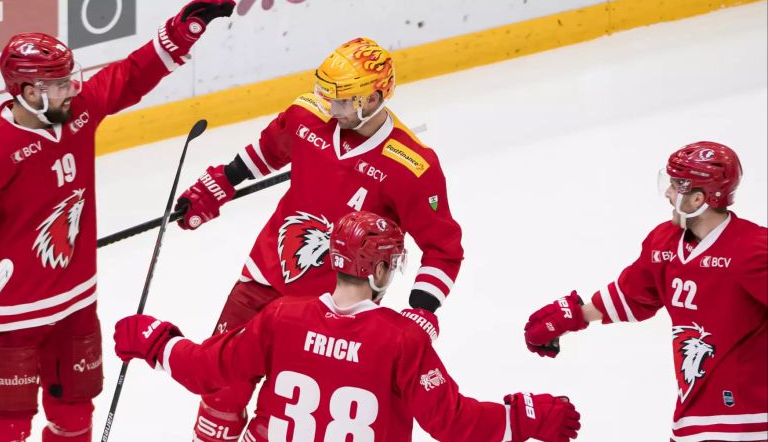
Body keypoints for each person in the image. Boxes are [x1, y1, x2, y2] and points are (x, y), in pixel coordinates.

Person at [0, 0, 235, 441]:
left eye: (68, 80)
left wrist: (181, 32)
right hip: (6, 318)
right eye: (58, 85)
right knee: (7, 428)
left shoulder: (76, 116)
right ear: (28, 93)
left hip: (75, 304)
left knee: (74, 415)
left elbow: (128, 76)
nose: (71, 89)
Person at [174, 36, 464, 440]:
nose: (333, 108)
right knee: (221, 388)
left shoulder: (411, 166)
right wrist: (218, 185)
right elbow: (266, 152)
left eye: (344, 100)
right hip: (264, 274)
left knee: (283, 412)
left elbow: (442, 250)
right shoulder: (306, 116)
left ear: (377, 96)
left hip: (327, 311)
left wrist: (423, 310)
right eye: (328, 96)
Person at [115, 210, 581, 441]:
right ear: (379, 271)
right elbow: (451, 421)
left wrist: (155, 340)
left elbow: (206, 370)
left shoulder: (282, 317)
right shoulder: (402, 339)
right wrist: (523, 416)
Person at [522, 141, 767, 442]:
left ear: (698, 199)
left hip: (752, 419)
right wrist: (572, 317)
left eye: (676, 186)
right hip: (693, 415)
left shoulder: (753, 250)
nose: (667, 192)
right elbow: (633, 294)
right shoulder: (663, 243)